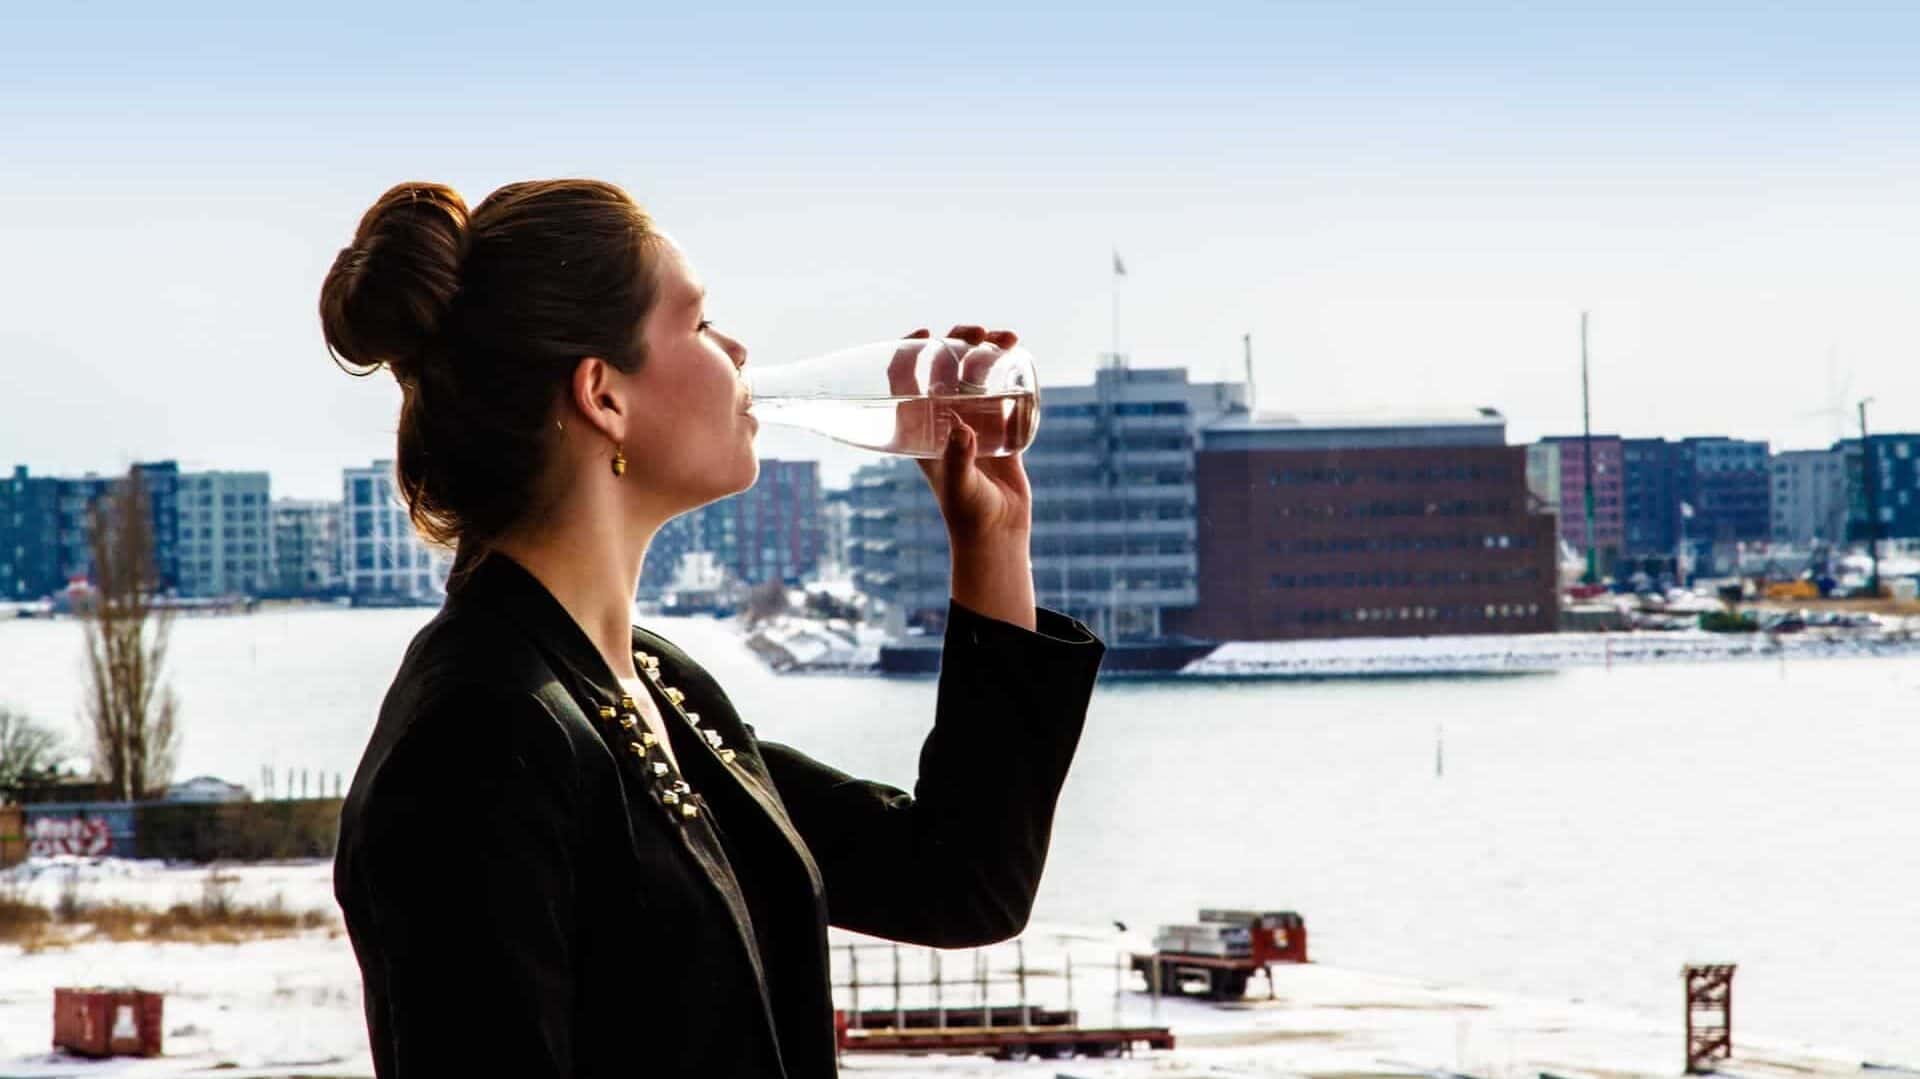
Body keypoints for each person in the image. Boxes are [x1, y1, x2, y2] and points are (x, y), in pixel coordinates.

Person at [321, 179, 1105, 1078]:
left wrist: (992, 539)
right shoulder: (474, 742)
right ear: (603, 396)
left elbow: (959, 882)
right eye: (698, 324)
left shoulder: (650, 686)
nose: (738, 351)